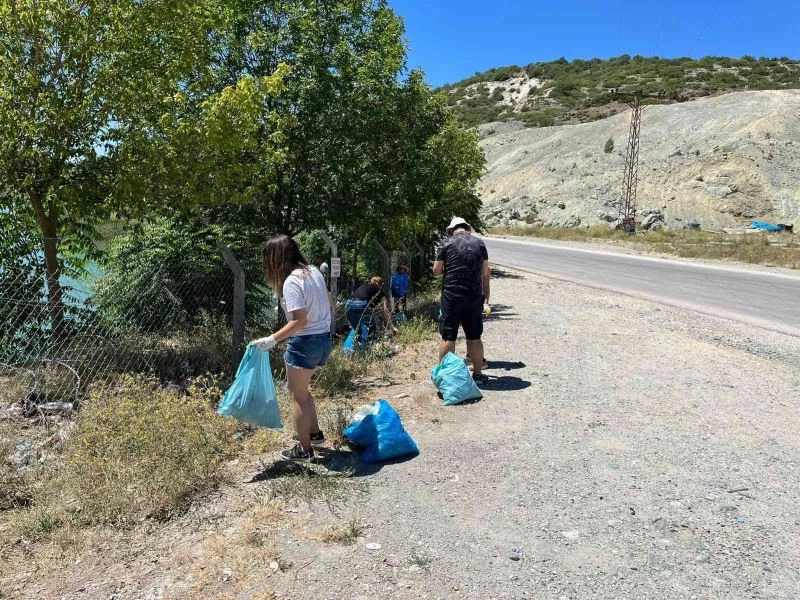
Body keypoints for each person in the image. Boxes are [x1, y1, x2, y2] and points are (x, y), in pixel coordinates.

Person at [251, 235, 332, 462]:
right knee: (303, 392)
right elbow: (329, 300)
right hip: (324, 340)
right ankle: (314, 434)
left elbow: (299, 321)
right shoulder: (313, 271)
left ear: (277, 257)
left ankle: (304, 450)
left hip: (304, 343)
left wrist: (271, 339)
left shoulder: (291, 281)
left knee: (297, 397)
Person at [433, 217, 491, 385]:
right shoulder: (479, 243)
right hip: (473, 295)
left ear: (452, 229)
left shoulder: (446, 242)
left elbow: (436, 271)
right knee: (474, 336)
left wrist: (450, 269)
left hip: (452, 295)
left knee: (448, 337)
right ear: (467, 228)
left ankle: (445, 377)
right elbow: (484, 270)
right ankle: (478, 375)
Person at [346, 276, 396, 343]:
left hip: (348, 304)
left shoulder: (365, 286)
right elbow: (385, 310)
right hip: (360, 304)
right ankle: (369, 348)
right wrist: (392, 327)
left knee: (358, 330)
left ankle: (357, 350)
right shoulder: (379, 290)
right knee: (370, 327)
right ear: (380, 284)